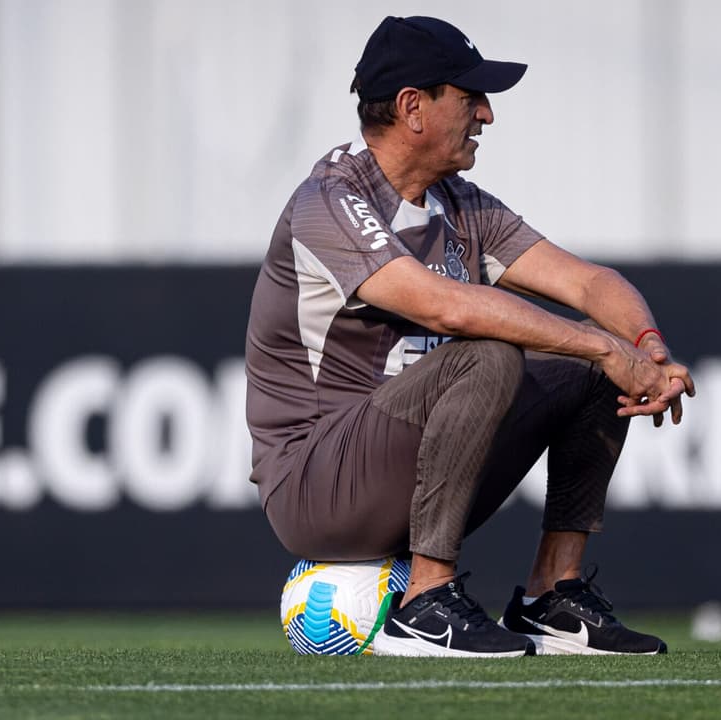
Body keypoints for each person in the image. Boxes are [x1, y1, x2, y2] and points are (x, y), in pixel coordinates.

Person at [245, 15, 694, 658]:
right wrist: (605, 346)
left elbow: (591, 285)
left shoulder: (459, 202)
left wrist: (646, 348)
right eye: (470, 96)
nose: (486, 114)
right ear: (412, 108)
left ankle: (553, 599)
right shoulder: (330, 200)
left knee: (591, 367)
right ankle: (425, 604)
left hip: (408, 466)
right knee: (491, 353)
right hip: (316, 484)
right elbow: (445, 308)